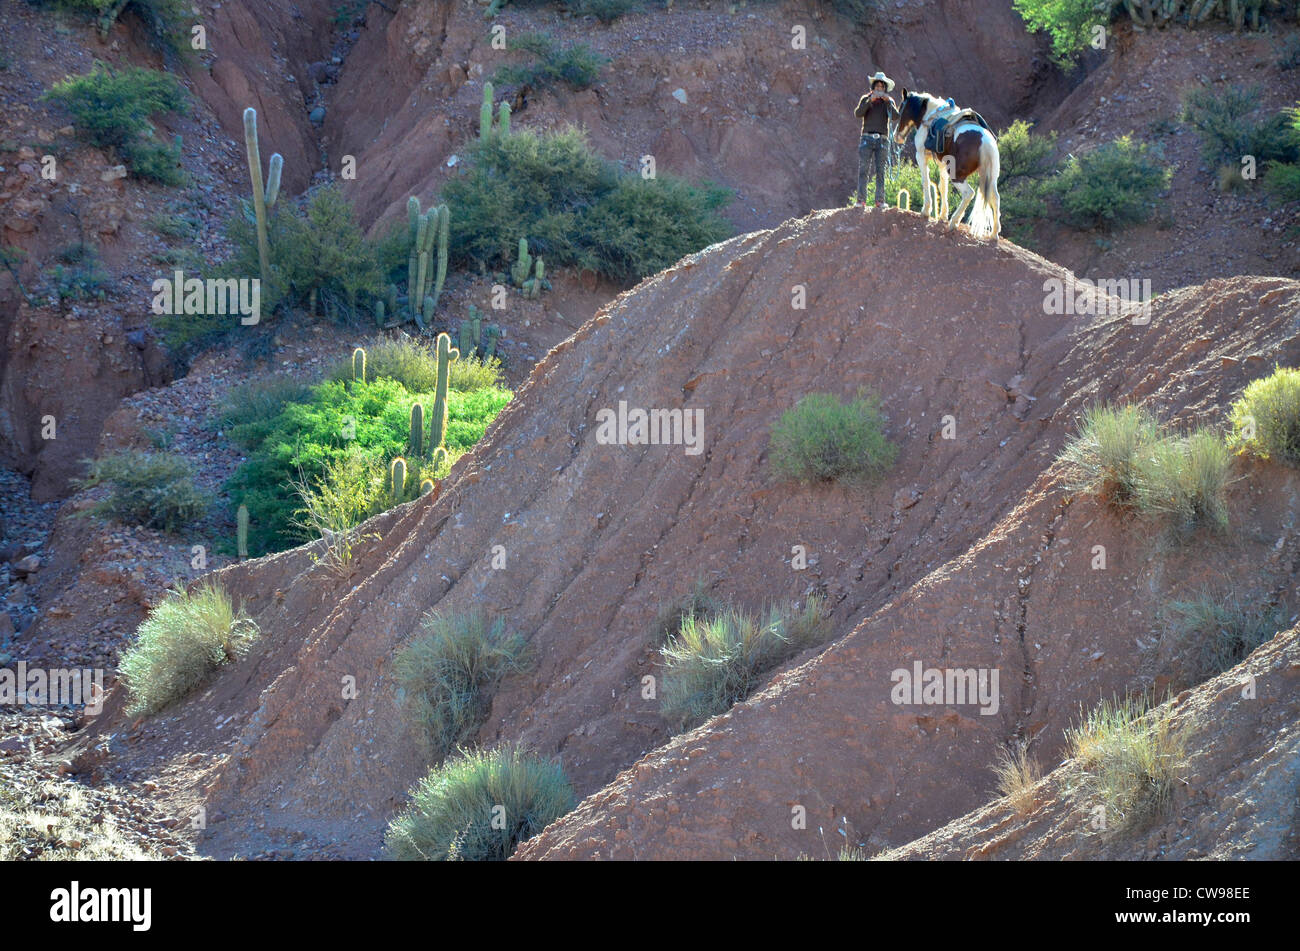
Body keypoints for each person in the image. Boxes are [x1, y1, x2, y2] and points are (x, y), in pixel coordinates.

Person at [854, 70, 899, 209]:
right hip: (867, 138)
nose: (879, 89)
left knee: (881, 171)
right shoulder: (866, 98)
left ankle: (880, 201)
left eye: (881, 87)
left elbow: (896, 116)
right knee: (864, 170)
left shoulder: (888, 101)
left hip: (882, 140)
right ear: (873, 87)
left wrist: (888, 103)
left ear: (885, 88)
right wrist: (869, 101)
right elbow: (858, 113)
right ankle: (861, 201)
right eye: (877, 86)